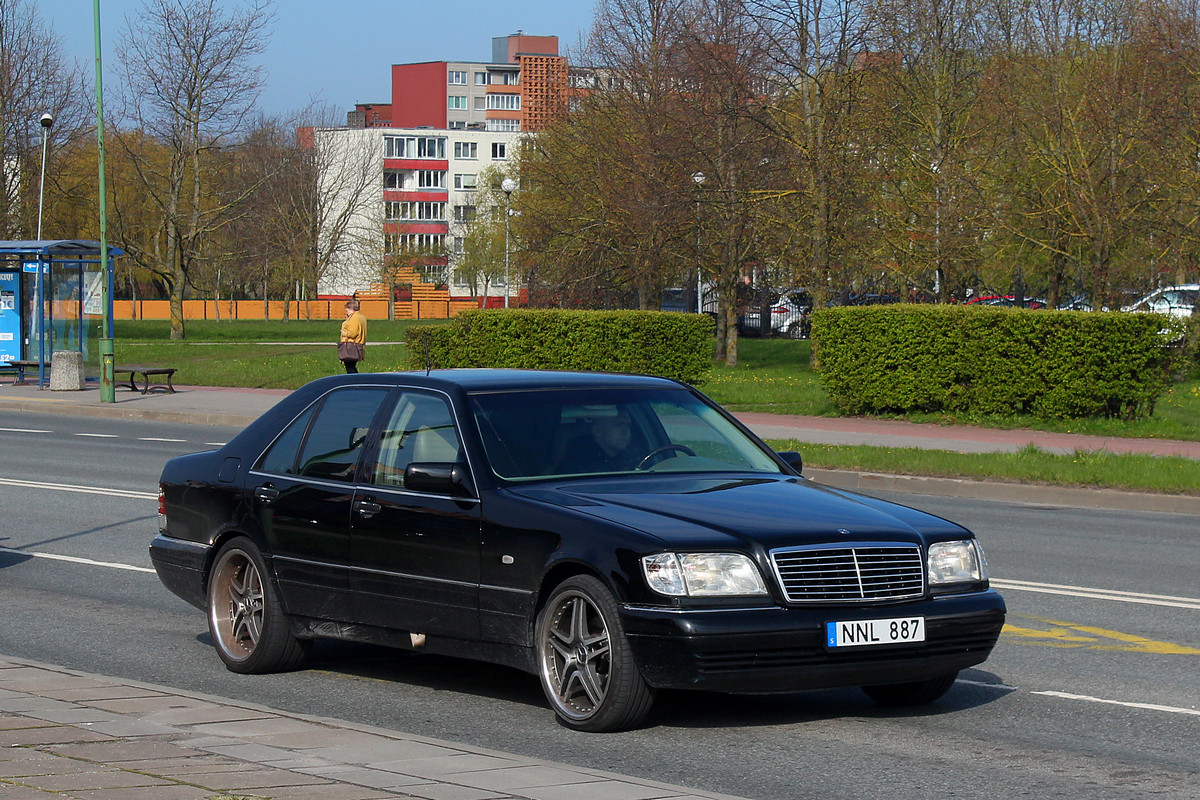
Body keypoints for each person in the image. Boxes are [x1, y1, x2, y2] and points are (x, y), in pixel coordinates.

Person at [338, 299, 367, 373]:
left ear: (351, 310)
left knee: (350, 367)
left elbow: (353, 333)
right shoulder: (361, 317)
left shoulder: (355, 318)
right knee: (351, 366)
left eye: (347, 311)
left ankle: (355, 382)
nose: (346, 313)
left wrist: (343, 333)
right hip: (358, 345)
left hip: (351, 346)